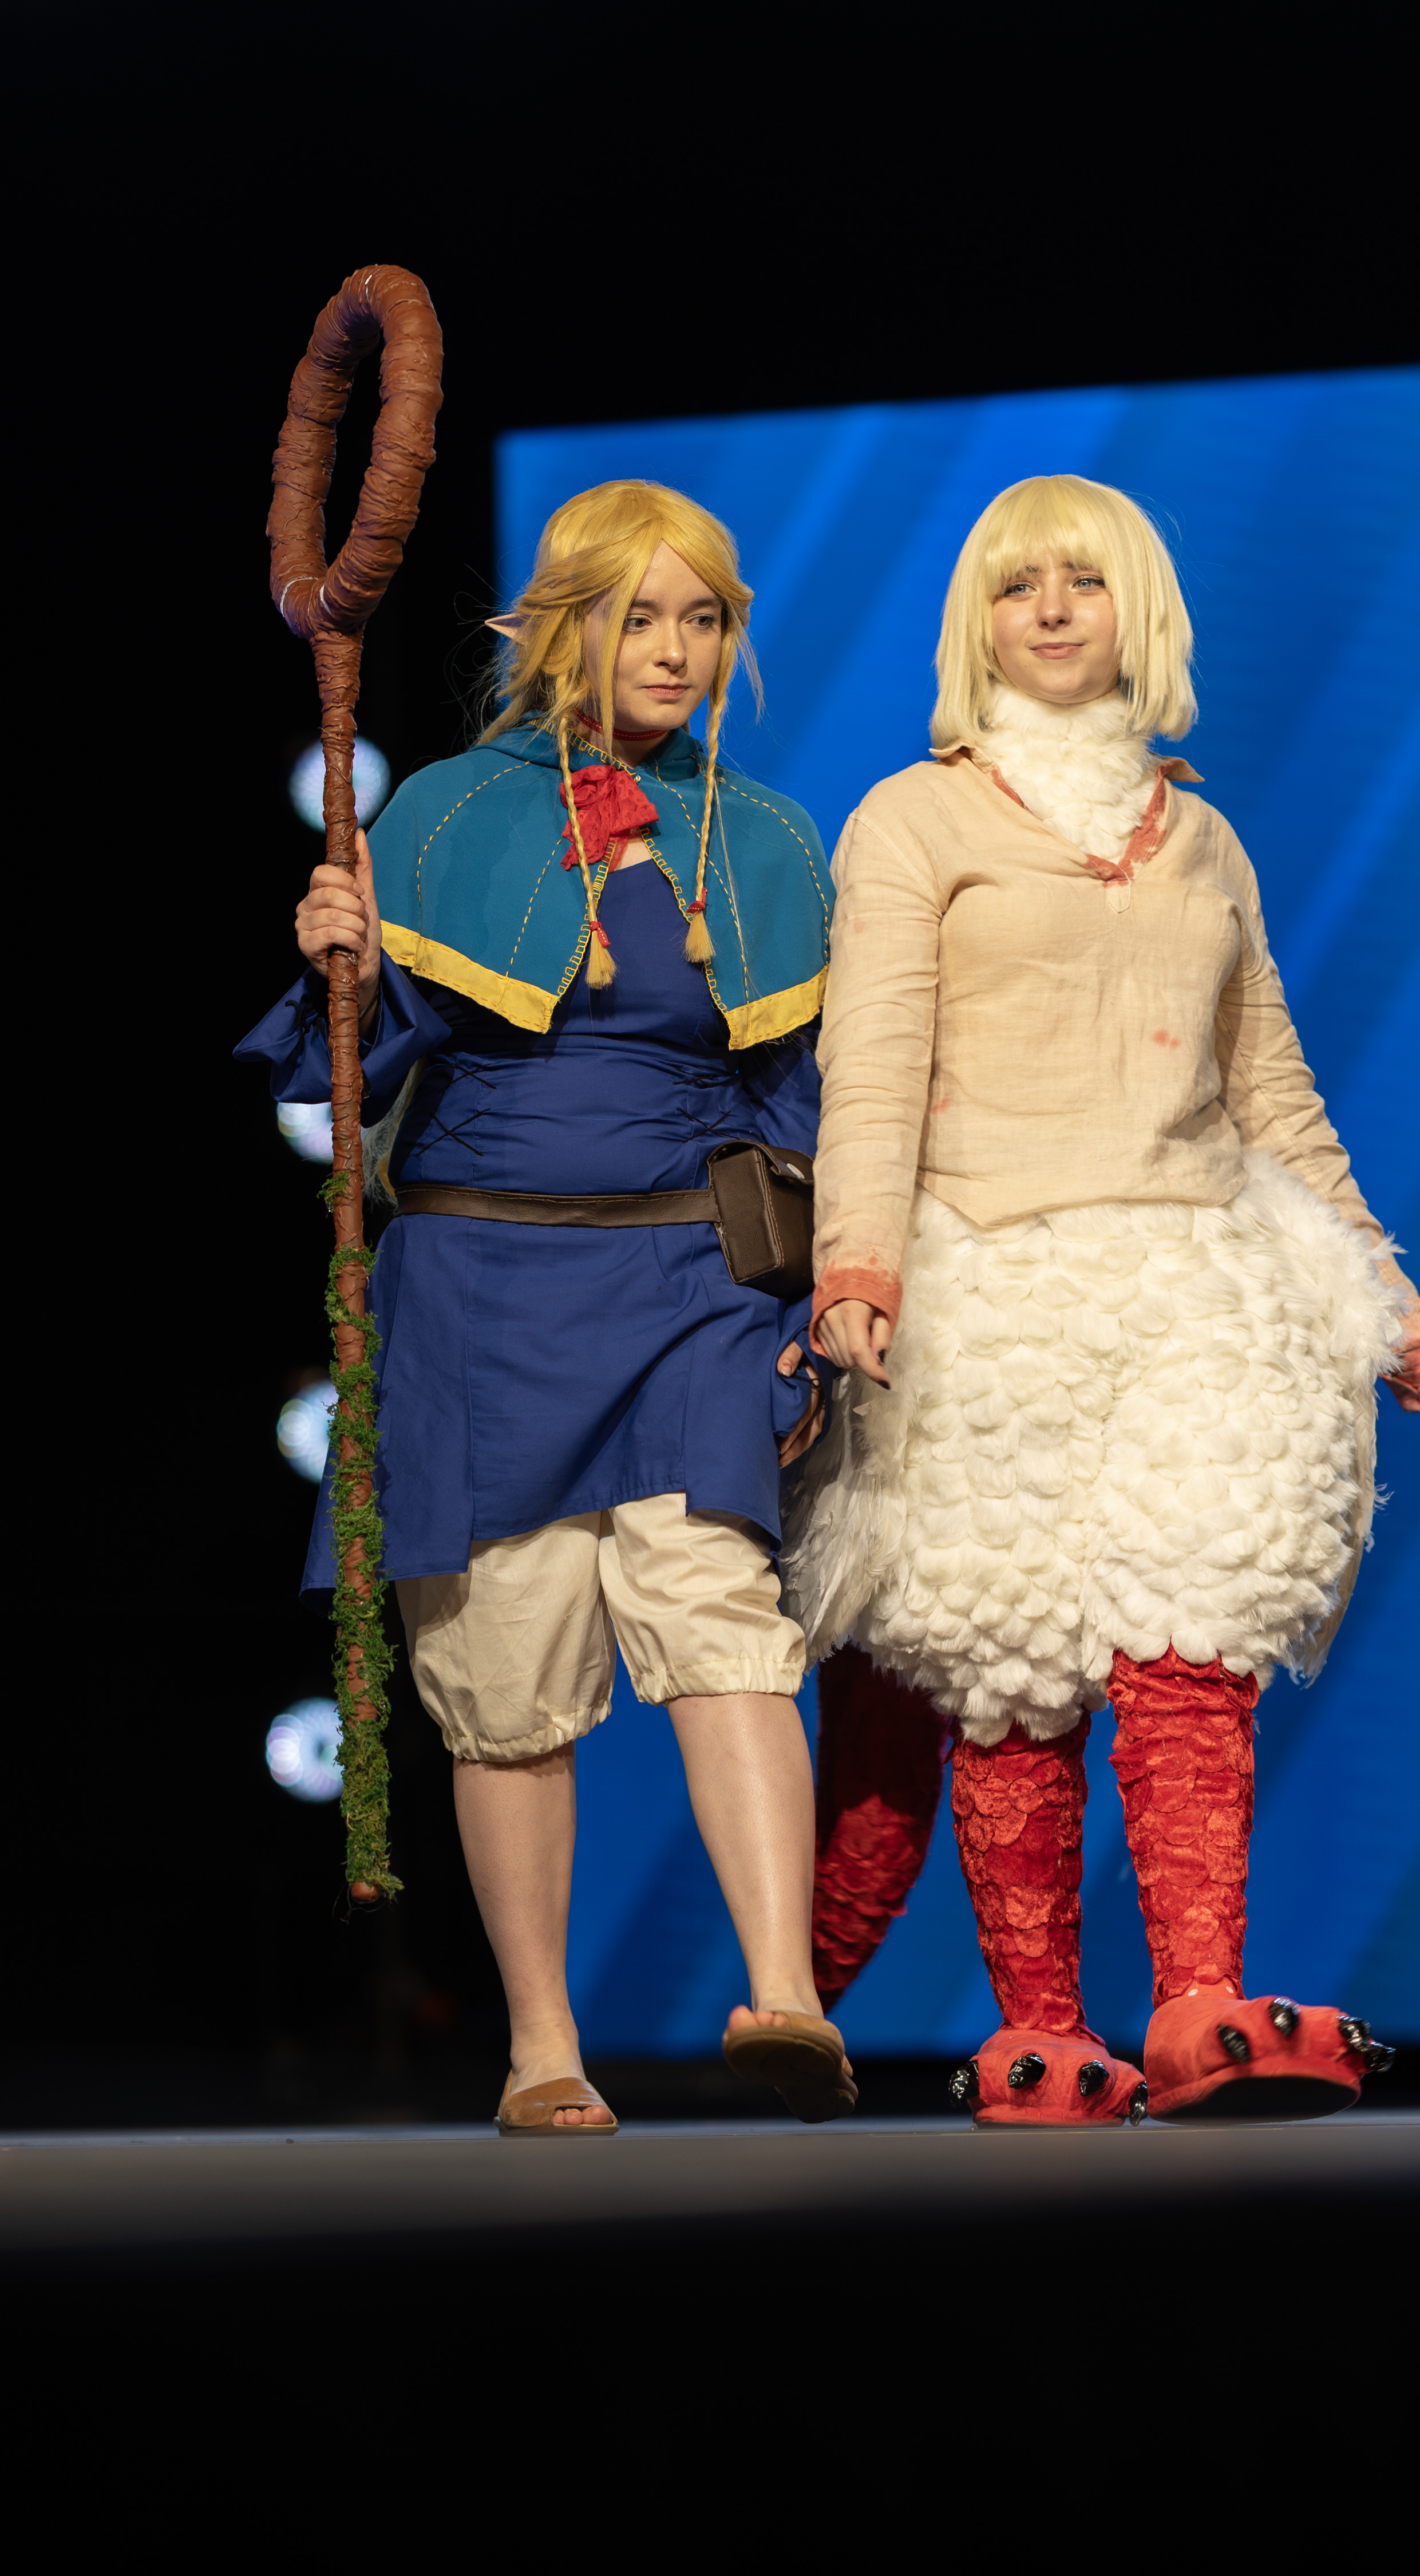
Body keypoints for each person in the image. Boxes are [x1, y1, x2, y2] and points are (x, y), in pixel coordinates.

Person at [787, 474, 1420, 2125]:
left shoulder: (1204, 837)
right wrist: (856, 1261)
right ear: (974, 620)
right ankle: (1041, 2032)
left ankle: (1198, 2008)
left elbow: (1272, 1092)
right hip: (989, 1278)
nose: (1049, 608)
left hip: (1196, 1282)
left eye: (1083, 580)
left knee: (1192, 1641)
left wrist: (1396, 1308)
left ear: (1139, 611)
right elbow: (869, 1065)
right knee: (1008, 1660)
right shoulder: (913, 820)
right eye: (1015, 582)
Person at [238, 481, 853, 2132]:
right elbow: (342, 1074)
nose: (673, 649)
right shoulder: (442, 817)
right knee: (503, 1676)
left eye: (702, 619)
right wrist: (338, 957)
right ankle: (539, 2046)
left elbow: (800, 1102)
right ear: (559, 626)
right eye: (639, 615)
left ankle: (783, 1995)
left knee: (723, 1616)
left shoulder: (766, 837)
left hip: (690, 1285)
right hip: (481, 1292)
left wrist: (808, 1304)